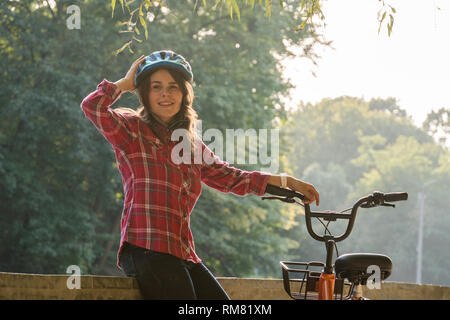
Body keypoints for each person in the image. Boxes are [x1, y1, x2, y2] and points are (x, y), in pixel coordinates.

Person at [80, 50, 320, 300]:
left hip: (182, 253)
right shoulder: (130, 130)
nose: (165, 94)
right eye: (156, 87)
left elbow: (233, 178)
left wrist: (288, 181)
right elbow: (92, 107)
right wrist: (126, 83)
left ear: (183, 94)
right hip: (145, 250)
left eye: (173, 87)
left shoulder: (190, 146)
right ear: (145, 93)